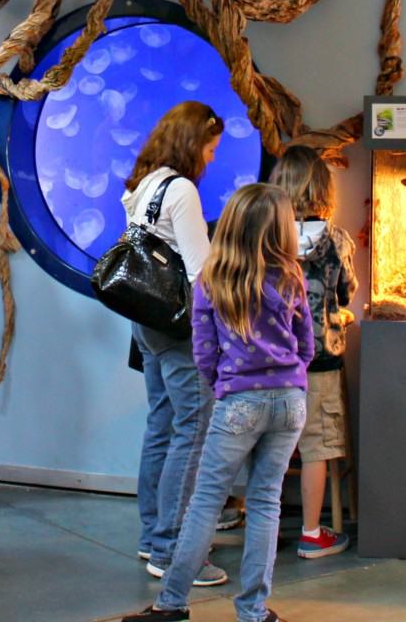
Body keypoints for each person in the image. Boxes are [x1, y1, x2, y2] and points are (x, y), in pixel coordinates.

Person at [123, 183, 314, 622]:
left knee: (205, 502)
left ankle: (171, 604)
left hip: (238, 402)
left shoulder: (211, 281)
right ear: (281, 230)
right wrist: (292, 380)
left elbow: (203, 352)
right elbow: (306, 345)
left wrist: (223, 386)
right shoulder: (290, 277)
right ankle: (254, 611)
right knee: (266, 503)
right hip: (290, 402)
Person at [123, 101, 227, 586]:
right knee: (193, 430)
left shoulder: (145, 184)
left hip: (144, 324)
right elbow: (199, 272)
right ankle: (174, 550)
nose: (210, 158)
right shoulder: (181, 190)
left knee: (162, 427)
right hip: (179, 327)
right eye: (209, 147)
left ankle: (152, 538)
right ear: (192, 142)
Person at [270, 145, 356, 559]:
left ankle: (261, 526)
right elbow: (344, 293)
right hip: (319, 361)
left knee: (264, 443)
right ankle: (311, 531)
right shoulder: (336, 239)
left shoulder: (266, 236)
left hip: (267, 362)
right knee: (317, 444)